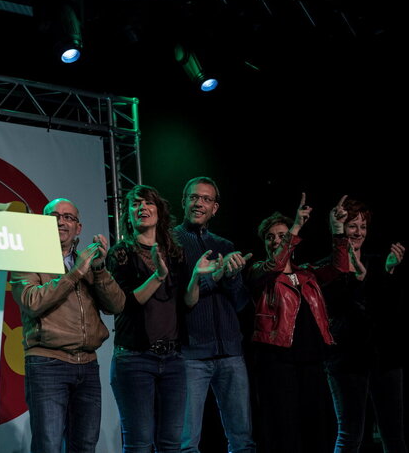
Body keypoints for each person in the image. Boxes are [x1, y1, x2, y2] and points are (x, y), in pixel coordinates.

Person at [107, 184, 219, 453]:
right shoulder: (120, 254)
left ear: (159, 211)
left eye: (148, 202)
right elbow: (125, 304)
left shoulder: (175, 252)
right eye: (135, 204)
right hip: (135, 358)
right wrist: (158, 276)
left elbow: (188, 302)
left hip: (173, 359)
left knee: (171, 444)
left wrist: (196, 276)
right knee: (139, 443)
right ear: (128, 215)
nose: (142, 208)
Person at [10, 198, 125, 453]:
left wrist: (99, 269)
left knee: (85, 445)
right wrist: (75, 274)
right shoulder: (28, 256)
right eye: (54, 216)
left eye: (68, 217)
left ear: (78, 227)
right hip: (47, 363)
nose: (61, 222)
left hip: (87, 364)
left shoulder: (89, 262)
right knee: (48, 446)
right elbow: (31, 301)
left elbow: (117, 305)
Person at [246, 193, 349, 453]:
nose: (276, 241)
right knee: (284, 429)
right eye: (270, 237)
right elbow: (275, 264)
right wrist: (295, 227)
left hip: (311, 359)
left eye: (282, 236)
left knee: (314, 426)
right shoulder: (260, 272)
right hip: (277, 360)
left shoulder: (307, 273)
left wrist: (337, 229)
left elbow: (339, 267)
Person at [173, 177, 255, 453]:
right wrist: (213, 278)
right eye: (194, 197)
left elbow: (240, 302)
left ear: (215, 208)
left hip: (231, 353)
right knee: (186, 443)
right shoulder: (171, 242)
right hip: (191, 354)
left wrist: (232, 277)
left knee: (242, 441)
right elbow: (178, 299)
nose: (199, 203)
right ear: (184, 201)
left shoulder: (225, 244)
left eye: (206, 199)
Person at [320, 198, 409, 453]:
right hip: (346, 359)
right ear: (340, 228)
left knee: (394, 435)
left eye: (363, 226)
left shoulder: (379, 262)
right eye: (352, 226)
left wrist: (388, 273)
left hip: (384, 358)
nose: (358, 232)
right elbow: (336, 309)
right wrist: (358, 281)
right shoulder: (327, 267)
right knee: (350, 434)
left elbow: (390, 313)